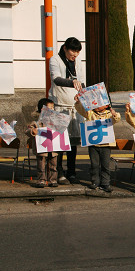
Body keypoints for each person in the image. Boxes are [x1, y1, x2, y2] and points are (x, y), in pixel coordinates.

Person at [48, 37, 85, 185]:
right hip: (59, 104)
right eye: (72, 51)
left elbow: (82, 81)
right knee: (60, 142)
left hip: (74, 105)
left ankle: (71, 171)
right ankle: (59, 172)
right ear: (65, 48)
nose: (74, 54)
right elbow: (56, 79)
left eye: (77, 51)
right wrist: (72, 82)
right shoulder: (55, 59)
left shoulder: (78, 61)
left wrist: (81, 92)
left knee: (73, 142)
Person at [74, 96, 121, 192]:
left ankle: (105, 183)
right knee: (94, 164)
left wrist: (114, 114)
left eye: (100, 104)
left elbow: (116, 119)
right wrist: (78, 102)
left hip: (106, 144)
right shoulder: (90, 113)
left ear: (106, 105)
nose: (96, 105)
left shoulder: (109, 114)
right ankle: (95, 181)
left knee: (105, 165)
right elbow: (80, 110)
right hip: (93, 144)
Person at [25, 98, 59, 188]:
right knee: (41, 165)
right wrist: (33, 131)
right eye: (50, 108)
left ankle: (53, 180)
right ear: (42, 109)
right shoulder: (37, 122)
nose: (52, 110)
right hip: (41, 148)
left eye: (53, 108)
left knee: (53, 165)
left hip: (53, 147)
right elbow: (27, 130)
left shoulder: (56, 121)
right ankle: (41, 180)